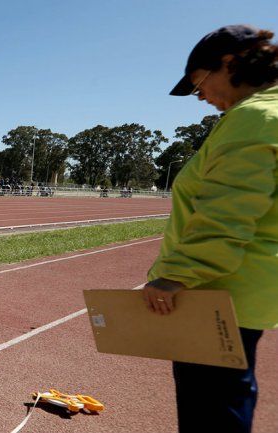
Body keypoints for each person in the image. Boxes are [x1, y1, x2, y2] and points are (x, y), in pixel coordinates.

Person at [142, 25, 278, 433]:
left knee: (211, 414)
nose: (199, 96)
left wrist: (175, 276)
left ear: (230, 63)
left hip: (217, 293)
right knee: (229, 402)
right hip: (244, 291)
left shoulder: (253, 118)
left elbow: (227, 212)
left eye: (199, 82)